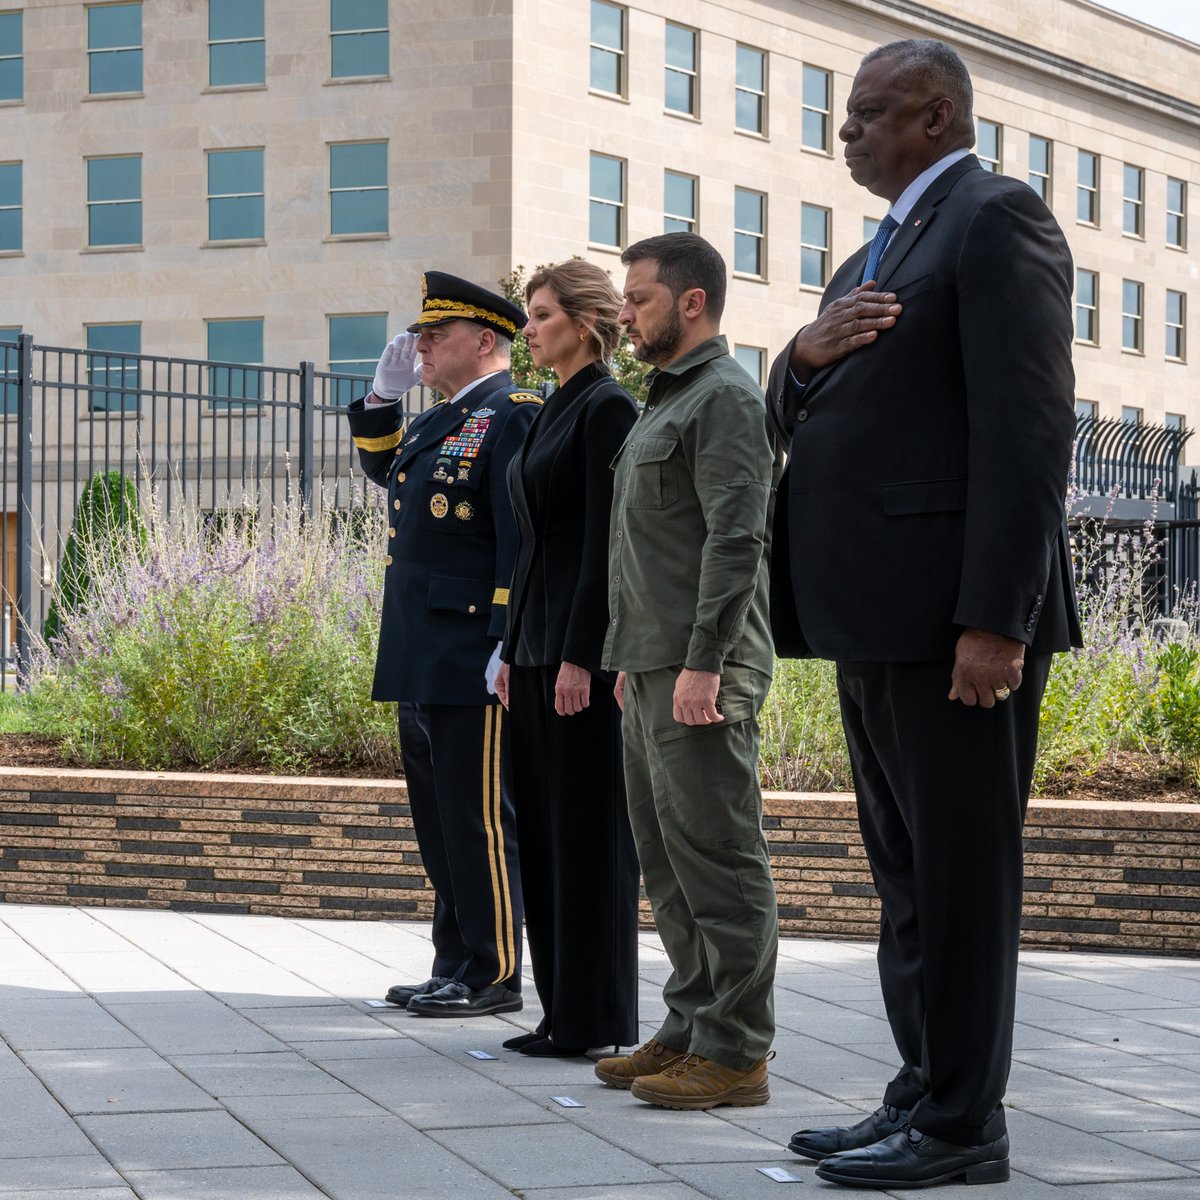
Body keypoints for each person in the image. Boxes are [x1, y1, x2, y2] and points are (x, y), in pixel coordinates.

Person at [768, 40, 1081, 1187]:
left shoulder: (998, 218)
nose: (844, 131)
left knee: (958, 879)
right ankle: (919, 1086)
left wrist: (997, 618)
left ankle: (963, 1126)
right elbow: (801, 405)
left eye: (866, 112)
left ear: (934, 113)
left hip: (954, 623)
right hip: (874, 617)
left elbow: (1031, 424)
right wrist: (796, 354)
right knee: (903, 876)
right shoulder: (871, 249)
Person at [592, 232, 782, 1110]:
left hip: (701, 671)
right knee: (667, 863)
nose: (624, 314)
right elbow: (649, 549)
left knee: (720, 861)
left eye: (638, 299)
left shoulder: (726, 401)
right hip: (650, 667)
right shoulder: (663, 400)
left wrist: (704, 663)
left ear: (692, 301)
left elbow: (736, 541)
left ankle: (738, 1053)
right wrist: (630, 656)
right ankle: (692, 1024)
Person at [348, 271, 541, 1017]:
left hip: (471, 650)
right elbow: (381, 469)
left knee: (480, 817)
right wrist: (382, 401)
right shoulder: (442, 419)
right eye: (420, 334)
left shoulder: (513, 412)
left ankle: (493, 973)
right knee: (439, 821)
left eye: (436, 335)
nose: (420, 345)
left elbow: (516, 538)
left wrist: (505, 637)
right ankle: (454, 961)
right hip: (423, 647)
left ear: (484, 340)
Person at [492, 260, 641, 1058]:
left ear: (585, 323)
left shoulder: (609, 408)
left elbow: (604, 547)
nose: (530, 328)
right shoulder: (554, 406)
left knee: (588, 838)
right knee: (546, 834)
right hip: (536, 652)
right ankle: (560, 1011)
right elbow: (535, 545)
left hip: (579, 657)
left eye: (542, 314)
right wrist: (515, 651)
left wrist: (585, 656)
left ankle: (596, 1016)